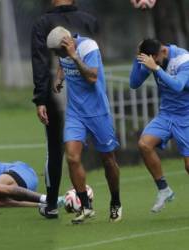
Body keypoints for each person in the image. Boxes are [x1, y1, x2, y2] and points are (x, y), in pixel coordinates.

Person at [47, 27, 122, 224]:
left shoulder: (88, 47)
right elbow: (62, 64)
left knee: (108, 159)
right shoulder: (63, 53)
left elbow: (92, 77)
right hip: (75, 113)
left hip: (98, 112)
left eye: (58, 51)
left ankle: (115, 201)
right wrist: (58, 77)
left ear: (67, 44)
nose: (57, 55)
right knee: (72, 157)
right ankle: (85, 207)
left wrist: (74, 56)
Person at [31, 0, 98, 219]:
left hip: (56, 94)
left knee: (55, 148)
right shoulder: (89, 21)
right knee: (96, 148)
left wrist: (40, 98)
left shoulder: (42, 23)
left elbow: (40, 63)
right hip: (89, 93)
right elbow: (97, 61)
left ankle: (51, 205)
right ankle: (107, 201)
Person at [130, 38, 189, 212]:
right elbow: (134, 83)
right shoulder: (153, 58)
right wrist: (137, 58)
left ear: (162, 51)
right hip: (166, 115)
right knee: (144, 144)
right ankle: (164, 189)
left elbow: (178, 86)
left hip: (186, 117)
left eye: (156, 61)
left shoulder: (183, 59)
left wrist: (155, 68)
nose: (155, 64)